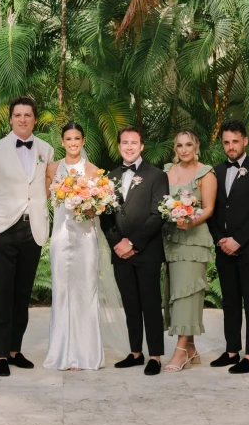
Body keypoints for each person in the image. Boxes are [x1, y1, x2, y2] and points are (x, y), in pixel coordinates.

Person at [0, 96, 55, 378]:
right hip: (3, 229)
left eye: (28, 115)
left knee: (22, 294)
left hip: (31, 229)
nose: (22, 119)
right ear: (10, 119)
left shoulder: (46, 149)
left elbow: (50, 186)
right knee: (2, 293)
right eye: (17, 115)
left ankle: (14, 350)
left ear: (35, 119)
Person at [43, 122, 128, 371]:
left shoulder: (92, 171)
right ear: (62, 141)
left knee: (85, 292)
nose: (72, 143)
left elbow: (103, 206)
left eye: (77, 139)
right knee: (62, 292)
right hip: (60, 236)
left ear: (83, 141)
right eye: (68, 139)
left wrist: (92, 206)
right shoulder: (50, 169)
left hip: (85, 237)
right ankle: (62, 352)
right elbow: (42, 201)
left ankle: (85, 354)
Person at [207, 120, 249, 374]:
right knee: (230, 302)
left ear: (245, 141)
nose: (231, 146)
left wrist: (238, 240)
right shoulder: (216, 172)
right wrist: (220, 239)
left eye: (235, 141)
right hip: (224, 247)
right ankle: (232, 350)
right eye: (226, 142)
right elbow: (211, 209)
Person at [103, 125, 167, 376]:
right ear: (119, 146)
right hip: (120, 253)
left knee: (150, 304)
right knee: (130, 304)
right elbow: (105, 217)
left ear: (142, 146)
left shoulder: (156, 176)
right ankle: (135, 352)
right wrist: (117, 244)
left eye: (134, 143)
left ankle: (155, 356)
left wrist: (133, 243)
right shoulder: (109, 177)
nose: (129, 147)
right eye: (124, 143)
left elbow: (157, 214)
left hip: (147, 251)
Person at [160, 129, 216, 372]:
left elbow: (209, 209)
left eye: (188, 145)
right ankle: (191, 348)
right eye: (180, 145)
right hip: (170, 240)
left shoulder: (206, 173)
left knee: (187, 294)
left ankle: (180, 351)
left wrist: (189, 221)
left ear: (196, 146)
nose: (184, 149)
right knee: (177, 294)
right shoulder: (166, 172)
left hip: (193, 241)